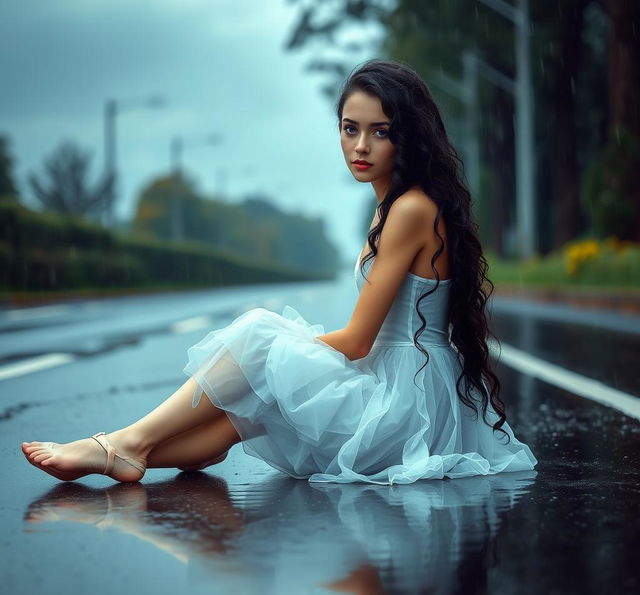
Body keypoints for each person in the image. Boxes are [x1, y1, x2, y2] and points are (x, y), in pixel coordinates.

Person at [21, 59, 537, 485]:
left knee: (258, 336)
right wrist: (281, 359)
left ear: (410, 137)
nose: (360, 147)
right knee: (255, 387)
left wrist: (276, 350)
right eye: (349, 128)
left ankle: (123, 443)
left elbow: (359, 342)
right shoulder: (399, 206)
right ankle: (127, 452)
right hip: (408, 386)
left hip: (405, 406)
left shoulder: (409, 210)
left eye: (381, 132)